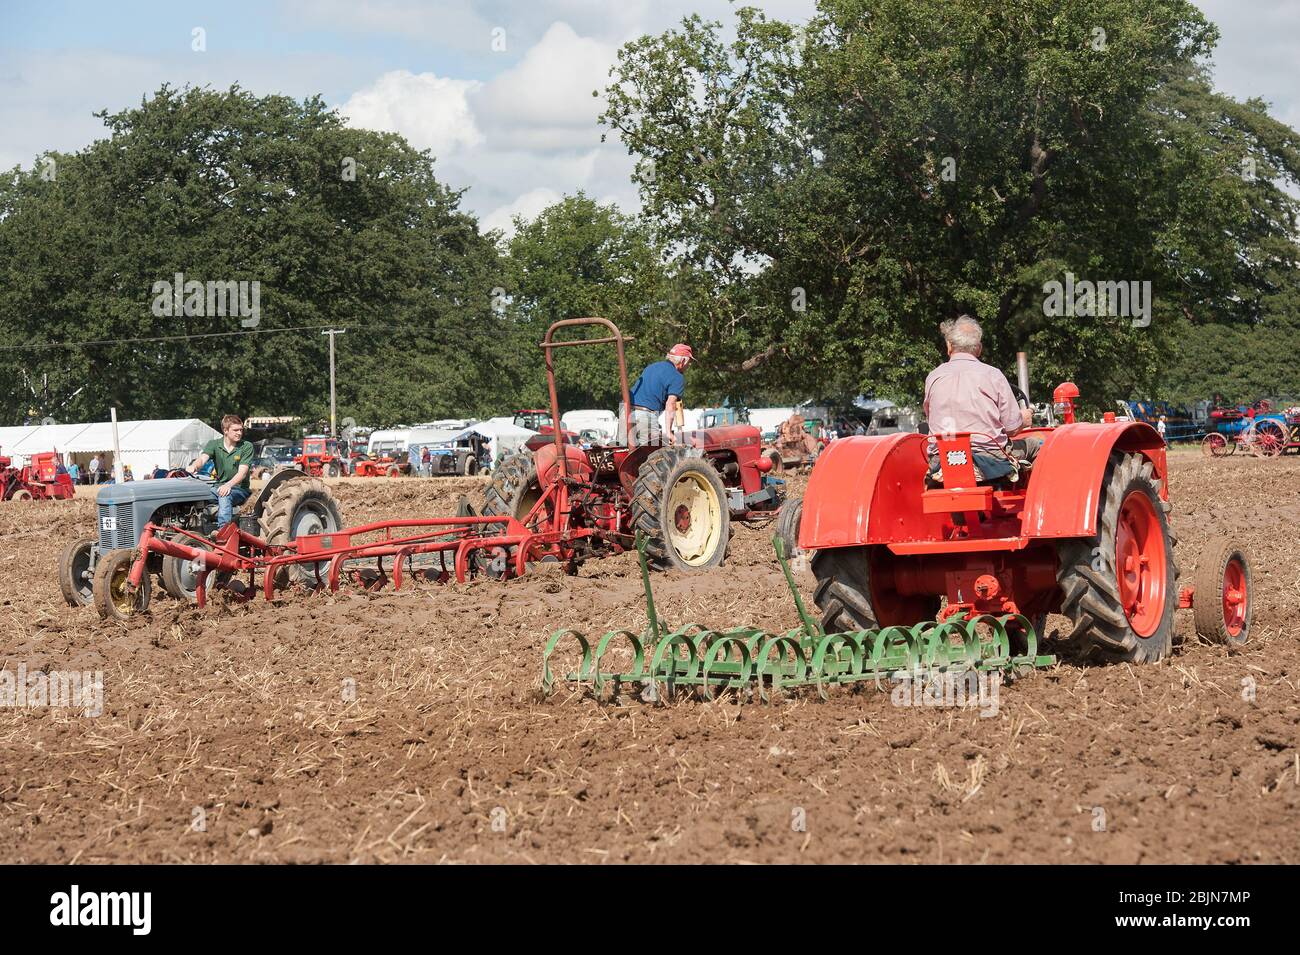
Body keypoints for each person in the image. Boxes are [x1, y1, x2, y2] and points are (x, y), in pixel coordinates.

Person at [923, 315, 1040, 480]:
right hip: (989, 459)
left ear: (949, 346)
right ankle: (1031, 500)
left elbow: (931, 418)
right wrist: (1025, 418)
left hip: (942, 459)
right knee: (1037, 445)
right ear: (979, 348)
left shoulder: (933, 377)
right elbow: (1012, 428)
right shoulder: (993, 375)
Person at [186, 414, 254, 530]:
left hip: (239, 489)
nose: (239, 433)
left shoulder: (246, 446)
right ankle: (192, 528)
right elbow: (202, 459)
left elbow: (242, 473)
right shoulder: (214, 444)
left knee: (224, 494)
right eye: (235, 430)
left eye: (241, 430)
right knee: (196, 494)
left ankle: (224, 530)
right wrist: (194, 466)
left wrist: (228, 485)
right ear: (225, 430)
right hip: (217, 487)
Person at [624, 344, 693, 446]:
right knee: (653, 458)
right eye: (689, 362)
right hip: (646, 417)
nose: (689, 365)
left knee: (622, 454)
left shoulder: (651, 367)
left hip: (626, 413)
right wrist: (669, 432)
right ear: (683, 361)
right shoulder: (677, 376)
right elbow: (671, 404)